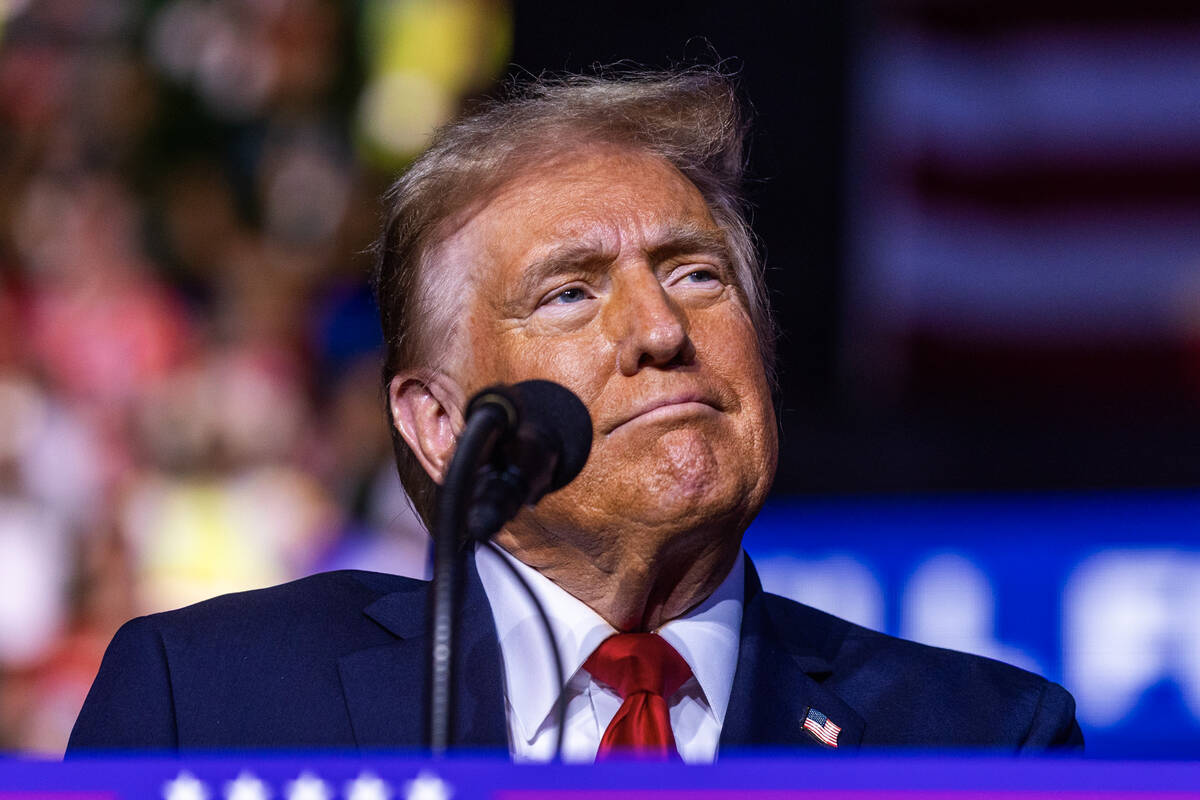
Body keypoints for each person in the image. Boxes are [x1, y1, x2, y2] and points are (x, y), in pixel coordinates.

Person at [67, 69, 1083, 759]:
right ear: (434, 419)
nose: (660, 329)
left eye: (697, 273)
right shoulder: (205, 703)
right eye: (569, 292)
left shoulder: (984, 742)